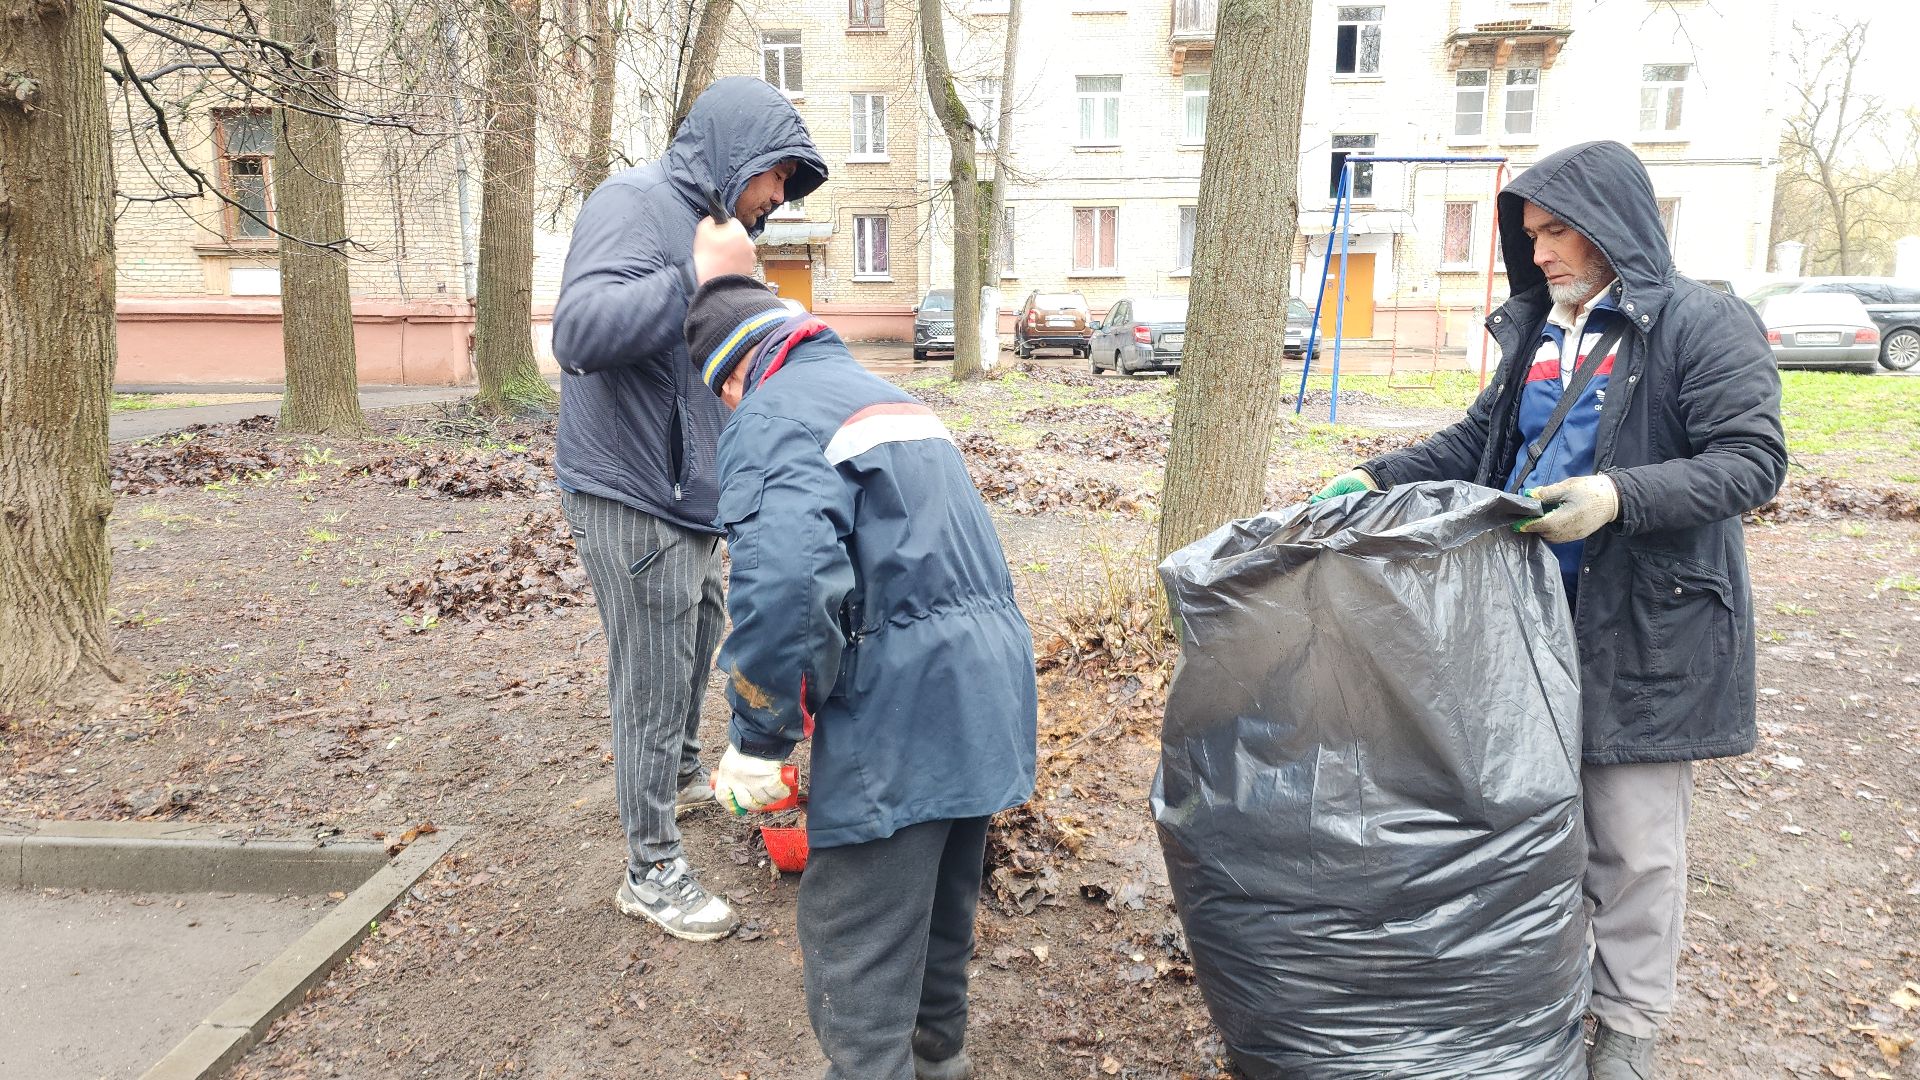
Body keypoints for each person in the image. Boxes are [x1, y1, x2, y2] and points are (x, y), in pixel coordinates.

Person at [1312, 140, 1786, 1079]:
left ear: (1614, 225)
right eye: (1531, 235)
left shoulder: (1701, 323)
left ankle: (1631, 1027)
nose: (1544, 253)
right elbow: (1481, 438)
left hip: (1643, 628)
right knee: (1524, 820)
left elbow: (1752, 461)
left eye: (1560, 230)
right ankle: (1540, 1001)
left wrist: (1618, 495)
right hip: (1522, 627)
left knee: (1633, 842)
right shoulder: (1544, 329)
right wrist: (1371, 476)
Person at [682, 217, 1039, 1080]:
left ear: (728, 379)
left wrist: (757, 737)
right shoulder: (887, 396)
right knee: (936, 938)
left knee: (857, 961)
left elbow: (786, 589)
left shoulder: (769, 417)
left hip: (903, 716)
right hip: (985, 698)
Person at [549, 76, 827, 943]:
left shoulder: (722, 231)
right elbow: (578, 333)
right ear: (736, 154)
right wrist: (691, 278)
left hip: (690, 495)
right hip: (631, 488)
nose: (780, 194)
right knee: (654, 674)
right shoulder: (632, 204)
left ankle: (673, 771)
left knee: (699, 630)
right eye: (776, 174)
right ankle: (651, 870)